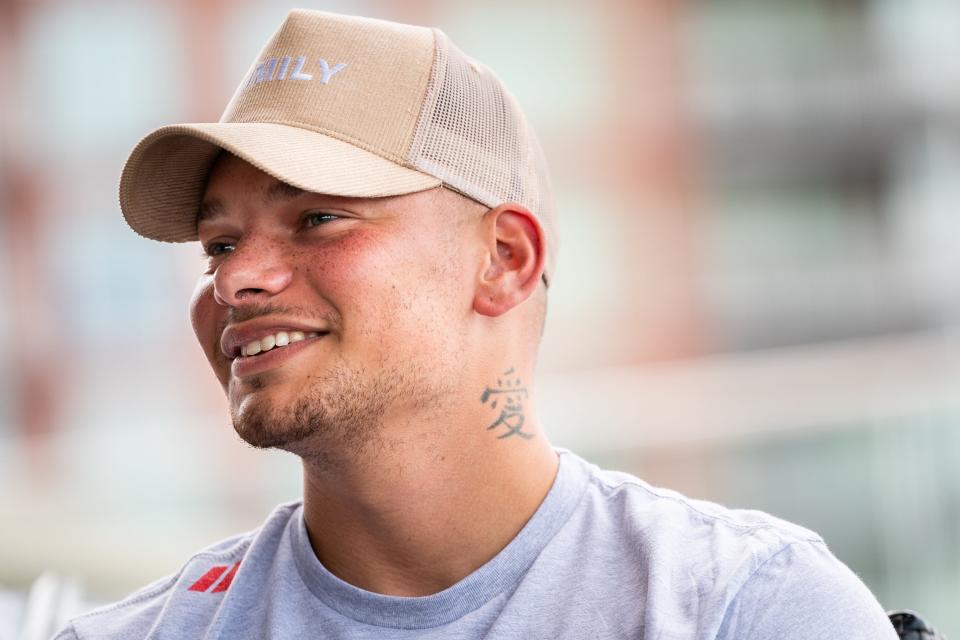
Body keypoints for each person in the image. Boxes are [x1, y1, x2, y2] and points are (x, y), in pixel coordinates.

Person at [55, 9, 898, 639]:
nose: (238, 278)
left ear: (503, 259)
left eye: (317, 220)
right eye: (219, 244)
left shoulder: (746, 610)